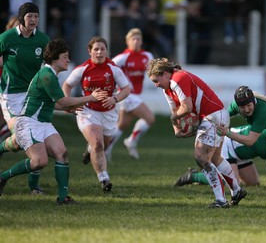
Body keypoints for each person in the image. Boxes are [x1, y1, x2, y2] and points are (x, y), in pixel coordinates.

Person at [0, 39, 108, 204]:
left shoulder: (50, 75)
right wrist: (90, 98)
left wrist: (68, 108)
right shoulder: (46, 75)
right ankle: (3, 177)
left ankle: (63, 198)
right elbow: (63, 101)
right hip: (28, 122)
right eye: (65, 57)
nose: (68, 60)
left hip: (43, 123)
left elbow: (55, 103)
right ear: (55, 58)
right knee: (39, 161)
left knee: (62, 154)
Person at [147, 57, 246, 208]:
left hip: (213, 117)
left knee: (201, 158)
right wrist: (177, 129)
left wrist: (173, 118)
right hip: (216, 115)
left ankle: (221, 200)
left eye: (156, 80)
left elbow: (186, 108)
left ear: (166, 74)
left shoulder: (178, 78)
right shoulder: (167, 89)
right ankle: (237, 191)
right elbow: (175, 110)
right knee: (216, 159)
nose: (155, 84)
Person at [62, 36, 130, 192]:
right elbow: (67, 84)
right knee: (98, 144)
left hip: (109, 113)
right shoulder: (82, 69)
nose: (99, 52)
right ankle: (104, 179)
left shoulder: (113, 69)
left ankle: (88, 150)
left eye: (103, 49)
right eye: (96, 49)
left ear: (107, 51)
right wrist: (68, 102)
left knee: (102, 146)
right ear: (90, 51)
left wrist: (115, 99)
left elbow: (126, 89)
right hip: (88, 111)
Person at [0, 2, 50, 194]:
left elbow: (50, 66)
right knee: (23, 137)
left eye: (36, 17)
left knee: (36, 136)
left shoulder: (43, 40)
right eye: (30, 16)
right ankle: (2, 148)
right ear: (22, 18)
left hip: (33, 95)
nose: (33, 20)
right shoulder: (7, 38)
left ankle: (34, 187)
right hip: (10, 96)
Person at [105, 28, 155, 160]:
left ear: (142, 41)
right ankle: (131, 141)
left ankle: (105, 148)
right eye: (133, 39)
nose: (136, 41)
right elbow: (108, 68)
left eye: (138, 39)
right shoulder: (123, 57)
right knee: (150, 118)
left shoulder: (147, 56)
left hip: (136, 95)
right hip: (126, 95)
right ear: (127, 41)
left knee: (122, 125)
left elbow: (153, 71)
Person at [174, 125, 266, 187]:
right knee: (233, 182)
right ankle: (194, 176)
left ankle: (219, 175)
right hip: (229, 144)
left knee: (253, 183)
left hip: (242, 154)